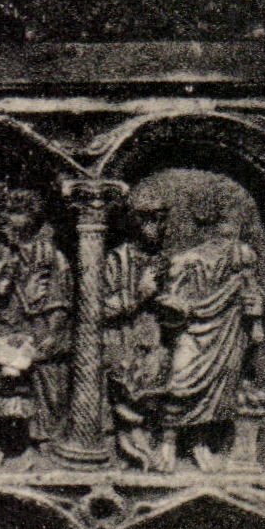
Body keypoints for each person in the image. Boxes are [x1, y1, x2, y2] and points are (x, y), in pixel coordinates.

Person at [151, 185, 265, 472]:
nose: (229, 230)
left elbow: (254, 291)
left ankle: (199, 443)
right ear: (210, 224)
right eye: (224, 222)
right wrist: (177, 306)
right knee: (180, 380)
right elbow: (168, 299)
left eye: (235, 223)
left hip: (227, 329)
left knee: (216, 389)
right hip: (193, 328)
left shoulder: (242, 255)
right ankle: (168, 442)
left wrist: (256, 316)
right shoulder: (187, 260)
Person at [0, 186, 73, 470]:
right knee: (6, 387)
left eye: (18, 213)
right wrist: (3, 282)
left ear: (32, 218)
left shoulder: (51, 257)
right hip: (11, 327)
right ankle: (4, 444)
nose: (11, 219)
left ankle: (41, 444)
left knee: (46, 388)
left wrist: (52, 332)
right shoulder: (6, 257)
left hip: (42, 329)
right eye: (8, 213)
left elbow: (60, 299)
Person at [102, 193, 171, 470]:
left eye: (161, 220)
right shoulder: (117, 259)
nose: (158, 227)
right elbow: (102, 307)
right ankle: (131, 443)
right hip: (122, 335)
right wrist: (140, 295)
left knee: (156, 379)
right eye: (150, 220)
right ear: (135, 223)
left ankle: (146, 442)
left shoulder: (161, 260)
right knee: (128, 383)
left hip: (152, 334)